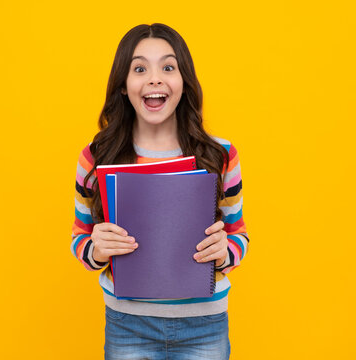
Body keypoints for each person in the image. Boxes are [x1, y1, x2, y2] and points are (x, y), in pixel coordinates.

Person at [71, 23, 250, 360]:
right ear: (124, 86)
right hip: (127, 325)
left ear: (184, 83)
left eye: (168, 67)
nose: (154, 78)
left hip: (205, 325)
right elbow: (80, 238)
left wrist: (225, 250)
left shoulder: (220, 155)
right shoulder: (96, 157)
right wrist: (97, 249)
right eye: (140, 68)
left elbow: (239, 235)